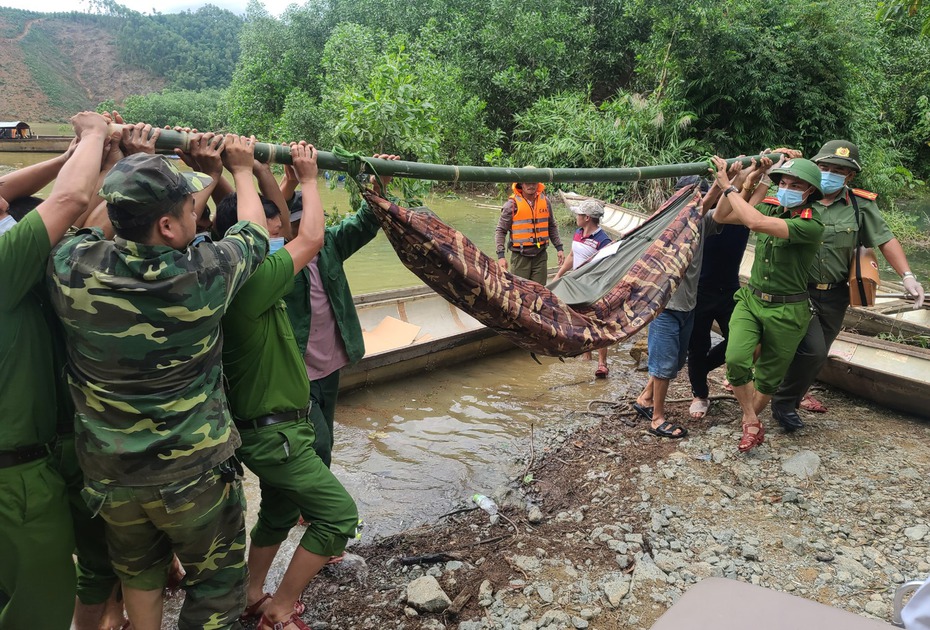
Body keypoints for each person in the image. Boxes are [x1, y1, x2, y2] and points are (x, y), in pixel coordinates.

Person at [47, 133, 268, 630]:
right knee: (215, 587)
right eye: (192, 207)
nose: (199, 213)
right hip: (194, 474)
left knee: (138, 577)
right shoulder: (205, 273)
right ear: (168, 226)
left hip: (111, 476)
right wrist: (244, 168)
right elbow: (253, 233)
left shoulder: (71, 268)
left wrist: (125, 165)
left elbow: (86, 221)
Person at [218, 142, 360, 630]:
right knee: (339, 516)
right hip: (276, 436)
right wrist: (311, 179)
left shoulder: (228, 275)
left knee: (278, 512)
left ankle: (251, 592)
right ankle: (279, 606)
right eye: (270, 227)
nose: (278, 227)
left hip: (273, 429)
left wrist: (261, 174)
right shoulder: (251, 286)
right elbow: (311, 238)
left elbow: (280, 227)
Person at [0, 112, 108, 630]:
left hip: (29, 461)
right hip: (15, 477)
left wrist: (83, 158)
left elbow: (84, 225)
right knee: (40, 609)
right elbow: (70, 204)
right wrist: (93, 134)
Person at [769, 140, 926, 430]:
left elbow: (885, 239)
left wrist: (907, 276)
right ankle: (781, 402)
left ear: (850, 176)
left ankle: (787, 398)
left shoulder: (859, 205)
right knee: (808, 349)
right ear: (815, 168)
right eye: (824, 167)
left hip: (834, 294)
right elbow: (756, 214)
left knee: (818, 353)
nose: (829, 173)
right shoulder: (797, 195)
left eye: (838, 170)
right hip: (794, 290)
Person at [282, 155, 398, 468]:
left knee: (326, 440)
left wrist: (379, 185)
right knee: (316, 442)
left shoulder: (330, 243)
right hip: (296, 372)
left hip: (329, 366)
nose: (308, 227)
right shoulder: (277, 259)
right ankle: (313, 506)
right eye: (297, 223)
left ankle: (310, 505)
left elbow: (366, 222)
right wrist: (292, 180)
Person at [709, 155, 825, 452]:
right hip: (752, 300)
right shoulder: (771, 204)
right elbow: (722, 216)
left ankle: (749, 423)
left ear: (809, 190)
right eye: (783, 182)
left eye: (795, 184)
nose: (786, 188)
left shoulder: (810, 225)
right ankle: (750, 420)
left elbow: (754, 221)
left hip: (788, 310)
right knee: (735, 359)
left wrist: (727, 185)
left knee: (768, 379)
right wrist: (748, 182)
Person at [632, 177, 723, 439]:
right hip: (665, 306)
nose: (699, 202)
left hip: (688, 306)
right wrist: (720, 181)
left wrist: (741, 179)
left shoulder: (702, 222)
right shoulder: (668, 224)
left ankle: (645, 398)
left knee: (675, 361)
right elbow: (696, 208)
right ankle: (657, 418)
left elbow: (723, 207)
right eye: (693, 196)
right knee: (663, 365)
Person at [553, 199, 613, 377]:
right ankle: (586, 356)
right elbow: (572, 255)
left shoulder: (603, 241)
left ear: (587, 218)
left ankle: (602, 363)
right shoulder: (578, 233)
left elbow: (607, 267)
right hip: (577, 286)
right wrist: (559, 275)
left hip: (594, 289)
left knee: (597, 324)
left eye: (579, 214)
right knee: (580, 320)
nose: (576, 216)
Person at [495, 176, 565, 284]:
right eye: (527, 182)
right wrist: (501, 256)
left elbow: (551, 226)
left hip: (540, 255)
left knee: (540, 291)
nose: (531, 185)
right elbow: (501, 231)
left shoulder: (545, 202)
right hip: (520, 257)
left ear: (538, 184)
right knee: (520, 292)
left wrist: (559, 248)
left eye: (534, 182)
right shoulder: (511, 205)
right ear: (521, 184)